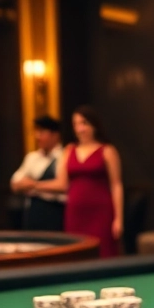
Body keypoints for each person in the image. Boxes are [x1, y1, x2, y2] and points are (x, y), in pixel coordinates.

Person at [31, 106, 123, 257]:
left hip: (101, 211)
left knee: (103, 252)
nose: (80, 128)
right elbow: (62, 184)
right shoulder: (69, 150)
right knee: (77, 253)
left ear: (94, 125)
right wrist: (34, 185)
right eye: (75, 124)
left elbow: (116, 184)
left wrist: (119, 218)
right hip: (75, 212)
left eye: (84, 123)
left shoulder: (107, 150)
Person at [9, 115, 67, 231]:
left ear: (55, 135)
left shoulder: (64, 156)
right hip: (33, 211)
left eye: (42, 132)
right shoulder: (32, 157)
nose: (37, 136)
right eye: (36, 132)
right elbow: (14, 184)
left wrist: (33, 184)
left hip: (56, 211)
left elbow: (62, 185)